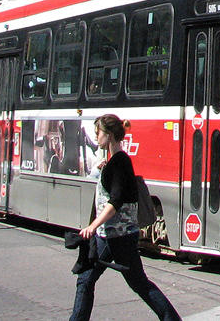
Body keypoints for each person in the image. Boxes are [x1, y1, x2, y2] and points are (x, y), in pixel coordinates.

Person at [69, 114, 180, 321]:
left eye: (97, 133)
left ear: (108, 135)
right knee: (87, 279)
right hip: (112, 236)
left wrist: (93, 226)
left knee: (136, 283)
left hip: (117, 237)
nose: (96, 137)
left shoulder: (119, 163)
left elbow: (116, 201)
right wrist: (106, 170)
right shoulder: (115, 163)